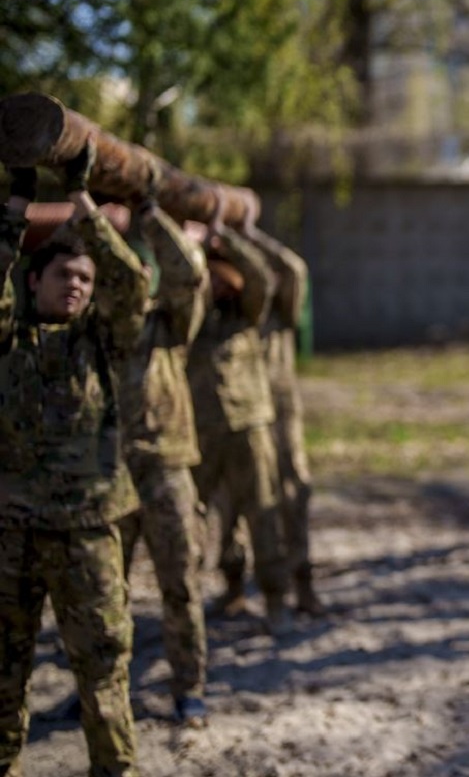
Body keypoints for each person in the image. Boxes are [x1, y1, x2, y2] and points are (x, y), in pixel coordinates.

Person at [0, 144, 147, 775]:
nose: (79, 287)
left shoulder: (102, 339)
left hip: (87, 532)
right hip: (12, 532)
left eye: (85, 281)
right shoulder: (7, 337)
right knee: (3, 678)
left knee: (104, 677)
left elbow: (132, 283)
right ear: (35, 281)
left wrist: (84, 202)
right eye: (66, 276)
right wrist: (13, 212)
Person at [115, 170, 212, 727]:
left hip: (168, 468)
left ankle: (188, 686)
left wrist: (149, 213)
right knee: (106, 594)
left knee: (180, 586)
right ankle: (105, 689)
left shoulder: (168, 325)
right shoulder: (94, 327)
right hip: (105, 474)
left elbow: (188, 275)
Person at [186, 206, 291, 635]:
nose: (216, 281)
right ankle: (200, 602)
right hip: (201, 434)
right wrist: (194, 251)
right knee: (198, 520)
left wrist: (223, 236)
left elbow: (263, 276)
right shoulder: (186, 319)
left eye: (221, 274)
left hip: (249, 427)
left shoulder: (246, 315)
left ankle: (276, 601)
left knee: (263, 514)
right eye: (208, 274)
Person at [245, 225, 324, 616]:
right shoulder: (224, 311)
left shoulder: (280, 311)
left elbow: (294, 269)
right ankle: (238, 583)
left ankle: (302, 582)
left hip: (279, 413)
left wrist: (245, 232)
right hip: (237, 420)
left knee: (292, 494)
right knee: (241, 506)